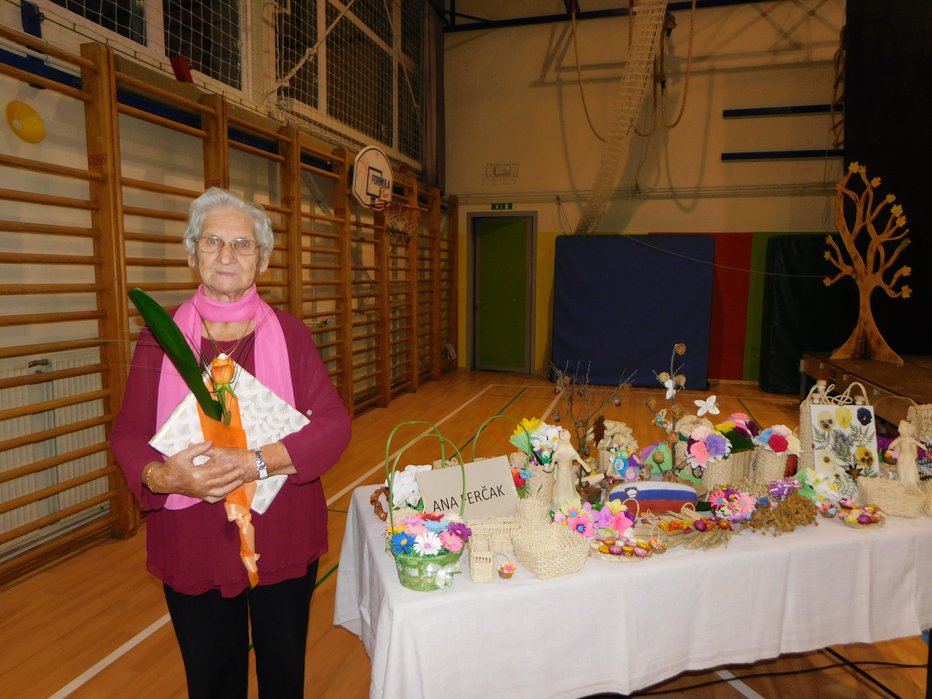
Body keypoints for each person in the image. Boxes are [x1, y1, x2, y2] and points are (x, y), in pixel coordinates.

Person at [110, 188, 351, 698]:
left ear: (263, 258)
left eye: (242, 244)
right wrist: (163, 476)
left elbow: (333, 425)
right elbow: (129, 434)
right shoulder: (160, 338)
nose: (226, 254)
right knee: (211, 681)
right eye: (213, 241)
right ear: (191, 251)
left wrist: (257, 462)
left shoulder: (290, 334)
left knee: (283, 678)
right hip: (193, 537)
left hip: (281, 530)